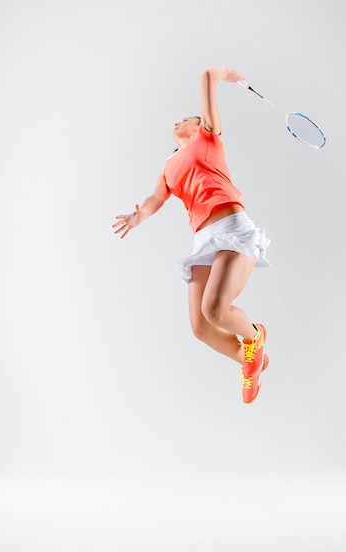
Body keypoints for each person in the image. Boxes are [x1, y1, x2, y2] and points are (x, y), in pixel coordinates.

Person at [113, 66, 270, 403]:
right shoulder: (168, 168)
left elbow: (207, 76)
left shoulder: (207, 136)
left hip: (230, 226)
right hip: (203, 240)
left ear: (198, 125)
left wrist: (222, 74)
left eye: (183, 119)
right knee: (200, 326)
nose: (176, 123)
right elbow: (157, 198)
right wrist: (138, 215)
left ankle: (255, 335)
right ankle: (249, 361)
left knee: (215, 311)